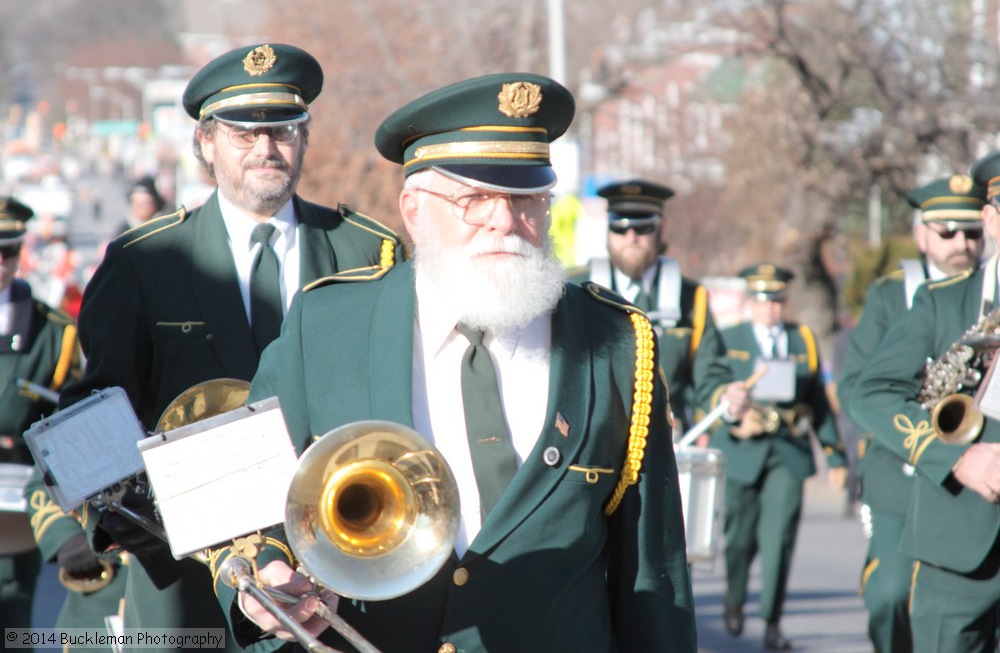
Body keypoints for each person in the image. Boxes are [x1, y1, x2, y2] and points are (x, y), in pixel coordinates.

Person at [210, 72, 697, 653]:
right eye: (472, 199)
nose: (504, 221)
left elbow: (653, 576)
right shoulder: (326, 326)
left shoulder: (616, 342)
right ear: (413, 210)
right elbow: (237, 506)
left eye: (526, 199)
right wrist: (265, 574)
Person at [26, 42, 406, 648]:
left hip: (335, 562)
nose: (266, 150)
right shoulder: (142, 261)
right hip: (186, 576)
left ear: (304, 139)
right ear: (205, 144)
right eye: (242, 134)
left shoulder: (371, 252)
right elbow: (90, 408)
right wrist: (132, 516)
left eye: (283, 131)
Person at [851, 150, 1000, 653]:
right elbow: (869, 392)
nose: (961, 243)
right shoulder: (944, 302)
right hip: (959, 540)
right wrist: (956, 458)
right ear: (992, 217)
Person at [709, 263, 847, 650]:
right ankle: (734, 598)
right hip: (742, 450)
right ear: (750, 301)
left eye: (777, 300)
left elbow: (816, 401)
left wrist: (835, 455)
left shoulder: (801, 337)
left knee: (779, 539)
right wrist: (735, 423)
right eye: (762, 299)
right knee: (738, 539)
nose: (770, 308)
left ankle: (771, 620)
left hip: (788, 449)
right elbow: (712, 388)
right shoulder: (728, 336)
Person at [569, 180, 749, 436]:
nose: (631, 238)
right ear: (607, 231)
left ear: (661, 228)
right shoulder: (572, 288)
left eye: (643, 227)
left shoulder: (691, 298)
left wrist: (727, 400)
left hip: (664, 440)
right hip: (589, 436)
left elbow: (709, 375)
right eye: (620, 227)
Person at [0, 197, 81, 627]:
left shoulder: (54, 334)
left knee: (14, 625)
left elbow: (70, 426)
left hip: (16, 507)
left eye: (8, 251)